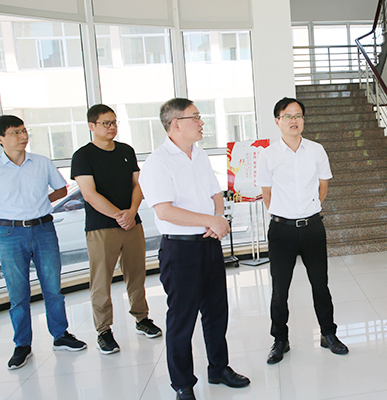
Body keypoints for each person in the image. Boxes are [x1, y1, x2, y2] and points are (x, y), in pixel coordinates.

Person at [139, 98, 249, 400]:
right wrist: (210, 220)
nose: (202, 123)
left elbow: (215, 193)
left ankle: (219, 368)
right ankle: (183, 384)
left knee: (217, 312)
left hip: (209, 244)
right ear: (175, 124)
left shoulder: (199, 155)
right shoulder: (158, 163)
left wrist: (217, 219)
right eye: (196, 117)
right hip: (180, 250)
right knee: (182, 320)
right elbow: (165, 211)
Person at [256, 97, 348, 365]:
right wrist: (285, 214)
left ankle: (328, 334)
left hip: (312, 228)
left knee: (320, 284)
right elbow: (266, 194)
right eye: (287, 116)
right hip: (281, 231)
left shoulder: (316, 150)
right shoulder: (268, 155)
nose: (293, 120)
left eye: (298, 115)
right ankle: (280, 340)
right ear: (277, 121)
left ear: (303, 120)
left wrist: (308, 210)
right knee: (280, 290)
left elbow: (323, 187)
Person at [0, 115, 87, 370]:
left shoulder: (42, 162)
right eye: (15, 132)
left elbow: (61, 189)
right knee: (18, 293)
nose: (23, 136)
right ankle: (22, 344)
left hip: (43, 228)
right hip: (10, 233)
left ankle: (60, 335)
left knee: (52, 287)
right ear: (0, 139)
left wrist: (41, 202)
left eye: (24, 131)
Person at [71, 104, 161, 355]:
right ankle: (104, 331)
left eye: (114, 122)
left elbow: (138, 184)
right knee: (101, 280)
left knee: (137, 274)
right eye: (106, 123)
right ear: (92, 126)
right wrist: (118, 215)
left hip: (132, 222)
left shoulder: (125, 151)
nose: (111, 127)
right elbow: (89, 194)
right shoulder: (83, 156)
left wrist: (131, 212)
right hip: (101, 227)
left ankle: (142, 318)